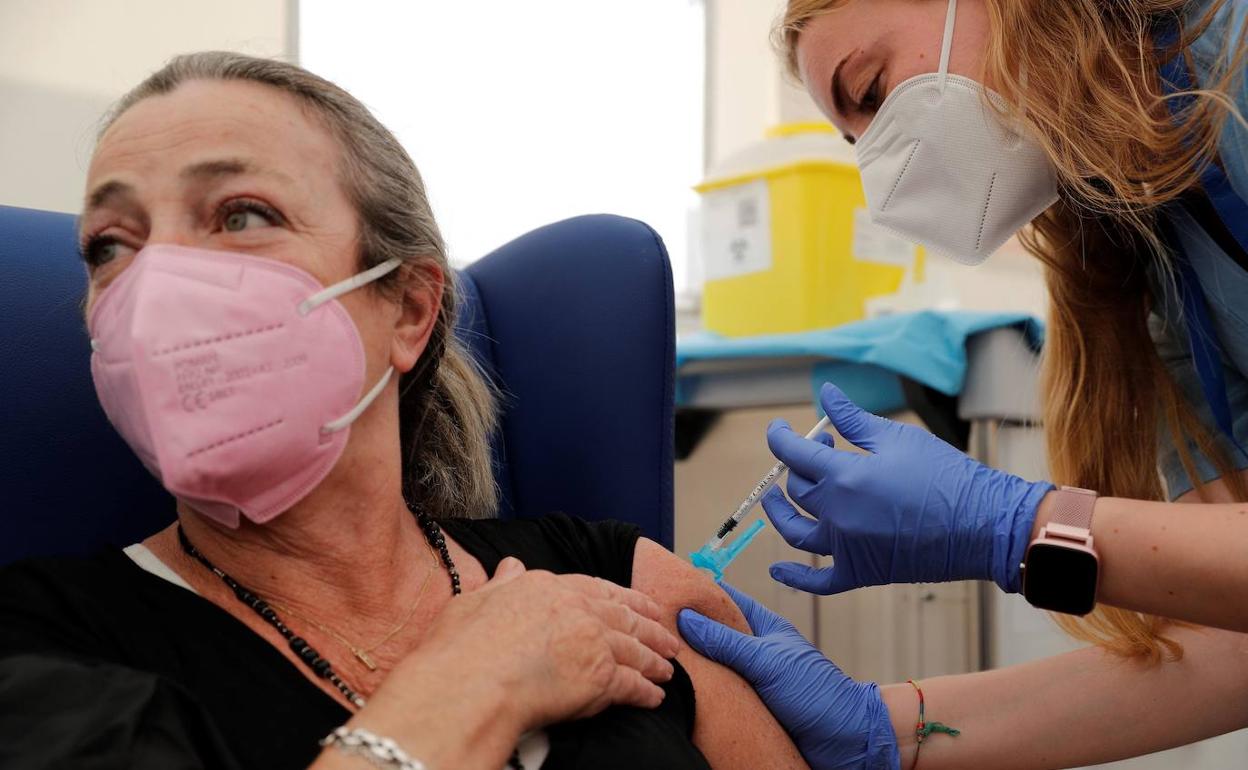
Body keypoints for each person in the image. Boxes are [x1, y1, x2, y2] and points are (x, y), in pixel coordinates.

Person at [0, 52, 808, 770]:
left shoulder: (605, 573)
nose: (155, 287)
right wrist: (474, 681)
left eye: (241, 215)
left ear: (410, 310)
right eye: (111, 244)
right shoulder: (38, 645)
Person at [678, 0, 1248, 768]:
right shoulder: (1159, 263)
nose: (884, 177)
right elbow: (1232, 636)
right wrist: (886, 728)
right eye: (858, 141)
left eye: (874, 90)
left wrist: (1022, 525)